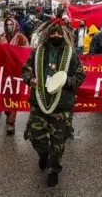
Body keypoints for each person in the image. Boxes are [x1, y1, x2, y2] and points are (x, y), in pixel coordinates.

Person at [21, 18, 85, 187]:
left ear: (63, 34)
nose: (55, 35)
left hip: (62, 106)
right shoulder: (37, 52)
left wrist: (66, 82)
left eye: (58, 33)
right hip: (39, 102)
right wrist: (31, 80)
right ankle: (43, 155)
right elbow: (25, 69)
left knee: (58, 143)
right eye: (52, 33)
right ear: (47, 34)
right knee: (36, 138)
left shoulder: (71, 54)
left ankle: (53, 170)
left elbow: (80, 76)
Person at [0, 17, 29, 134]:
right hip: (4, 73)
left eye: (11, 24)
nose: (9, 26)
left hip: (16, 73)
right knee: (5, 98)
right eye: (7, 24)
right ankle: (7, 114)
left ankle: (11, 122)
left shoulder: (21, 38)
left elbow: (26, 54)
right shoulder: (1, 37)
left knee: (14, 97)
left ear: (15, 25)